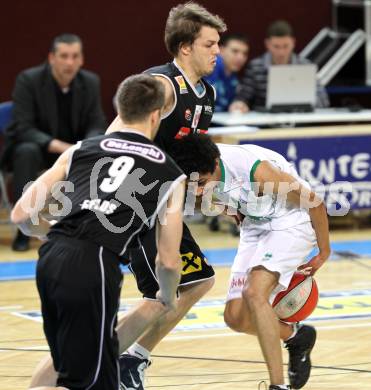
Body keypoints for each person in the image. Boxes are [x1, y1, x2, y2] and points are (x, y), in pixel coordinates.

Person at [28, 3, 227, 390]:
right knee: (157, 299)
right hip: (133, 207)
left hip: (161, 204)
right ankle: (117, 361)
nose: (217, 50)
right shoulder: (160, 85)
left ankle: (130, 358)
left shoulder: (207, 93)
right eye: (210, 43)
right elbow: (113, 140)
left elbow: (186, 150)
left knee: (198, 281)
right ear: (185, 47)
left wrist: (203, 186)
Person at [11, 74, 186, 390]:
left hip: (50, 259)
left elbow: (22, 214)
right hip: (94, 264)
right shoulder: (170, 172)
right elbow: (169, 262)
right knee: (88, 383)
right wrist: (167, 296)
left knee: (69, 368)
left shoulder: (80, 149)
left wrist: (56, 237)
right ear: (156, 114)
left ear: (119, 108)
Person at [169, 134, 331, 390]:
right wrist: (233, 210)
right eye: (194, 184)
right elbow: (218, 197)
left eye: (202, 183)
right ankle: (296, 337)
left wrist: (323, 253)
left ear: (215, 163)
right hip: (255, 223)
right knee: (235, 318)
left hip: (290, 221)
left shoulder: (258, 172)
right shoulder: (196, 166)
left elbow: (315, 204)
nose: (198, 190)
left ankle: (278, 386)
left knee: (255, 293)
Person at [2, 33, 106, 251]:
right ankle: (25, 225)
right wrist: (61, 147)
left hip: (73, 148)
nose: (69, 62)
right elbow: (23, 127)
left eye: (74, 56)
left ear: (81, 59)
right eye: (64, 56)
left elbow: (97, 123)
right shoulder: (28, 80)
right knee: (26, 151)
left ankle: (88, 223)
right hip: (38, 149)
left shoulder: (90, 82)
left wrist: (83, 147)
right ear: (51, 58)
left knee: (98, 150)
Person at [230, 20, 329, 112]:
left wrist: (305, 102)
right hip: (264, 122)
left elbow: (324, 101)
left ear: (293, 43)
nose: (281, 52)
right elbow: (244, 97)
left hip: (299, 120)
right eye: (276, 46)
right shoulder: (256, 66)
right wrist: (240, 104)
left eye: (286, 46)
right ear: (267, 44)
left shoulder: (306, 66)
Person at [205, 33, 249, 112]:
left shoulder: (233, 76)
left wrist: (238, 105)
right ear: (221, 50)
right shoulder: (208, 67)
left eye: (244, 54)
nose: (240, 57)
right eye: (235, 51)